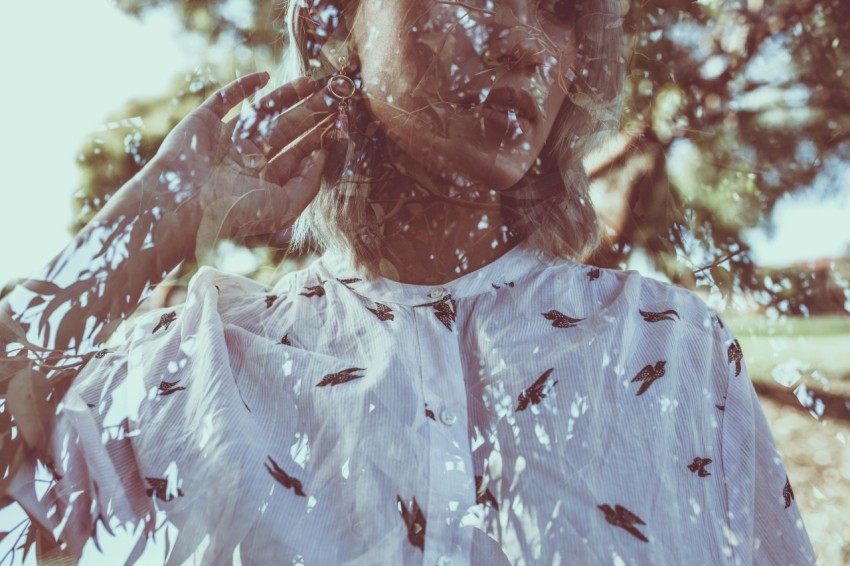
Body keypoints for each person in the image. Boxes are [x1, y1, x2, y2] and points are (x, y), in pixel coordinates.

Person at [0, 0, 817, 564]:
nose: (527, 45)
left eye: (561, 11)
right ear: (337, 20)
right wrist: (154, 217)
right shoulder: (192, 365)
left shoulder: (671, 352)